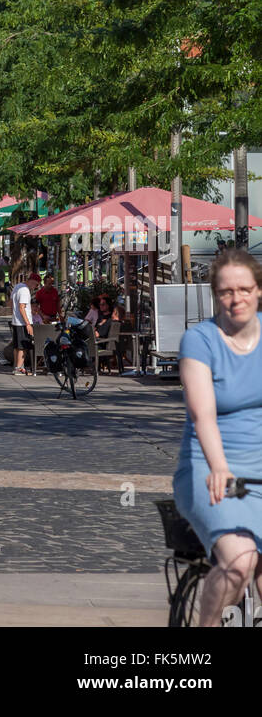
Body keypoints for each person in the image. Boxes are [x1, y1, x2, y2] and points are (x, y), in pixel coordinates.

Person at [174, 247, 262, 627]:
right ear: (215, 294)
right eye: (226, 291)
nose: (236, 298)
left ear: (258, 291)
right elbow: (203, 414)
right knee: (239, 562)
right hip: (211, 466)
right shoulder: (201, 340)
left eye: (244, 289)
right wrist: (220, 467)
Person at [10, 271, 36, 375]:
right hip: (22, 322)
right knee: (23, 346)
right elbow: (22, 307)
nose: (36, 287)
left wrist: (13, 314)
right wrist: (28, 323)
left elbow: (11, 301)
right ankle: (19, 369)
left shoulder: (17, 286)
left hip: (16, 321)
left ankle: (17, 366)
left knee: (17, 346)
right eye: (36, 284)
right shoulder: (25, 290)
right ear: (31, 281)